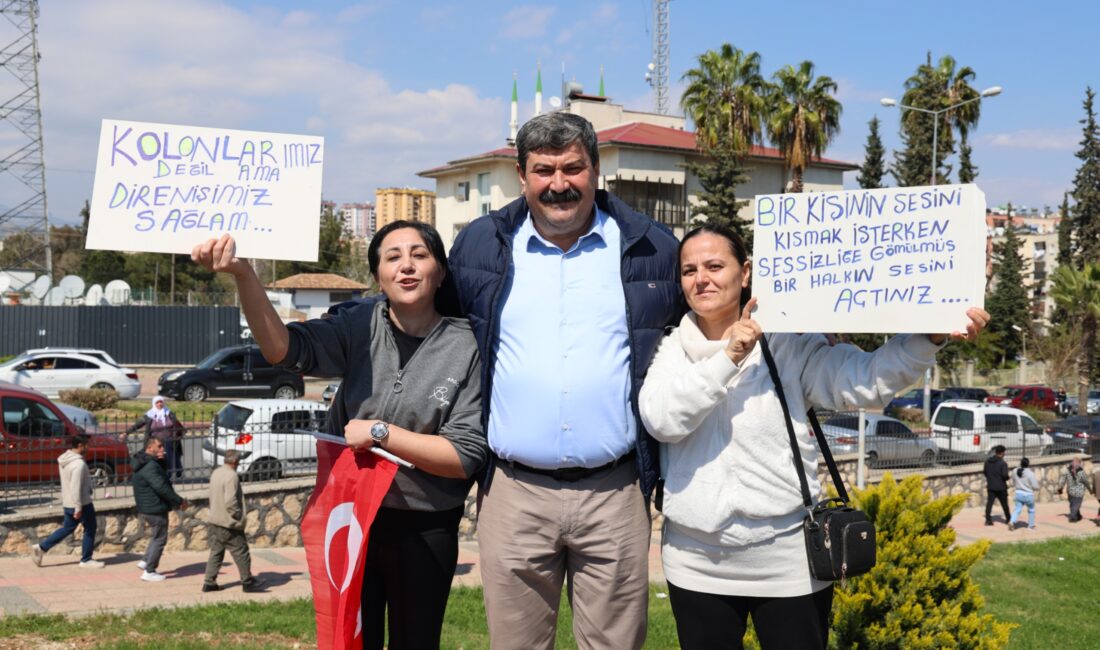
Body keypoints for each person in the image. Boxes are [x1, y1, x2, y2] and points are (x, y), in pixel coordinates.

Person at [637, 224, 990, 650]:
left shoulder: (788, 345)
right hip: (696, 564)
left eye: (715, 266)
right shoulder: (671, 350)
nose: (701, 279)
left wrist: (929, 338)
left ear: (745, 272)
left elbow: (865, 381)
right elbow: (662, 420)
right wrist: (728, 358)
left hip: (788, 564)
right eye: (689, 270)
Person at [443, 111, 682, 650]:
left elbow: (706, 328)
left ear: (595, 170)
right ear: (522, 176)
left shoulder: (652, 247)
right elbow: (432, 328)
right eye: (543, 170)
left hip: (616, 494)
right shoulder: (481, 246)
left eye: (573, 168)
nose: (559, 184)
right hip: (514, 492)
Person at [191, 220, 486, 650]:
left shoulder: (467, 345)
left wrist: (381, 434)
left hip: (427, 525)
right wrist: (244, 275)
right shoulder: (357, 325)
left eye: (419, 255)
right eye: (392, 257)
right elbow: (283, 350)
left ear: (440, 272)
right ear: (378, 277)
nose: (406, 266)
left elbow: (463, 456)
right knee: (349, 639)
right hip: (351, 519)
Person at [31, 434, 105, 568]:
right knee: (90, 528)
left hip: (68, 501)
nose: (88, 447)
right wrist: (78, 508)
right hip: (81, 502)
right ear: (80, 445)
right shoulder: (78, 464)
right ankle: (86, 559)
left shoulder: (65, 458)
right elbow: (75, 486)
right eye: (87, 445)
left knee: (67, 528)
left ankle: (41, 547)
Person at [203, 450, 262, 592]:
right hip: (228, 522)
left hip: (215, 519)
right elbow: (230, 501)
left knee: (217, 550)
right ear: (235, 461)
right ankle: (247, 582)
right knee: (241, 551)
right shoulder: (231, 476)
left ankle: (209, 582)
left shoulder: (216, 472)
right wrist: (238, 516)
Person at [133, 437, 188, 581]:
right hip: (154, 508)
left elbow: (161, 475)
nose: (163, 449)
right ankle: (149, 571)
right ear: (150, 448)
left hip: (148, 507)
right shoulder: (150, 466)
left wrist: (162, 460)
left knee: (156, 536)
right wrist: (179, 501)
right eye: (159, 446)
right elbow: (161, 487)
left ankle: (145, 561)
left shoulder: (145, 461)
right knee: (160, 539)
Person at [127, 396, 186, 481]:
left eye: (161, 402)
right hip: (155, 443)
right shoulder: (149, 415)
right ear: (154, 404)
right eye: (157, 402)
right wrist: (127, 432)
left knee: (169, 458)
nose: (159, 404)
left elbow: (177, 425)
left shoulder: (169, 413)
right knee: (157, 459)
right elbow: (138, 424)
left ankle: (169, 475)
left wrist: (176, 435)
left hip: (169, 441)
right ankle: (160, 475)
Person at [1056, 457, 1093, 523]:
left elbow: (1062, 481)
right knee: (1075, 505)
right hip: (1079, 492)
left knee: (1073, 504)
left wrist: (1060, 489)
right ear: (1079, 463)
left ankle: (1078, 516)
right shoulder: (1081, 472)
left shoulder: (1067, 471)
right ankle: (1073, 518)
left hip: (1070, 491)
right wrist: (1090, 490)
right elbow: (1086, 482)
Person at [1010, 457, 1040, 531]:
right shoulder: (1030, 473)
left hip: (1018, 493)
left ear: (1020, 463)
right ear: (1028, 464)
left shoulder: (1014, 471)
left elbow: (1012, 480)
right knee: (1031, 510)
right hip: (1028, 494)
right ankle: (1031, 526)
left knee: (1017, 509)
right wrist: (1036, 488)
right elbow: (1035, 486)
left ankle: (1012, 521)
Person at [983, 445, 1011, 525]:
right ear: (1002, 453)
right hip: (1001, 487)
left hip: (991, 486)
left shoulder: (987, 461)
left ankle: (988, 520)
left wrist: (991, 479)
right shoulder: (1003, 463)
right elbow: (1005, 475)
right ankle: (1008, 519)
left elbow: (985, 472)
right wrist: (1007, 478)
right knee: (1004, 504)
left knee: (989, 503)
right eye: (1004, 452)